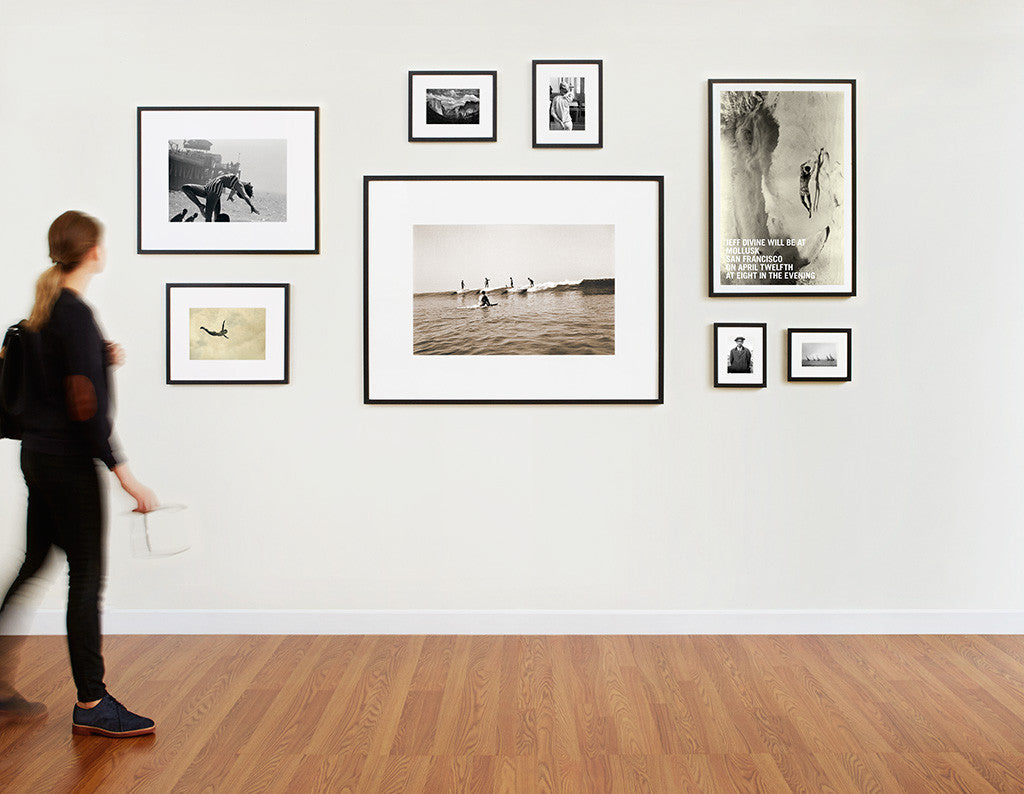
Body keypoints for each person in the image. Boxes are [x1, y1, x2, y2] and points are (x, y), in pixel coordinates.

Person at [0, 211, 159, 737]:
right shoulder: (75, 314)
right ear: (93, 252)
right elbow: (85, 410)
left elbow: (54, 382)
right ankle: (92, 701)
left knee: (34, 564)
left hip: (37, 458)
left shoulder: (44, 312)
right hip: (68, 465)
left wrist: (98, 358)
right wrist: (124, 474)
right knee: (86, 578)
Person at [181, 172, 258, 222]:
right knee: (210, 216)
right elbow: (235, 191)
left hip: (212, 185)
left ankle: (200, 206)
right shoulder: (238, 184)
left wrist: (252, 206)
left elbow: (245, 196)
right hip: (213, 187)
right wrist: (231, 196)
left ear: (246, 189)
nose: (251, 185)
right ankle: (200, 206)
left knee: (185, 187)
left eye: (250, 188)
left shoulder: (240, 185)